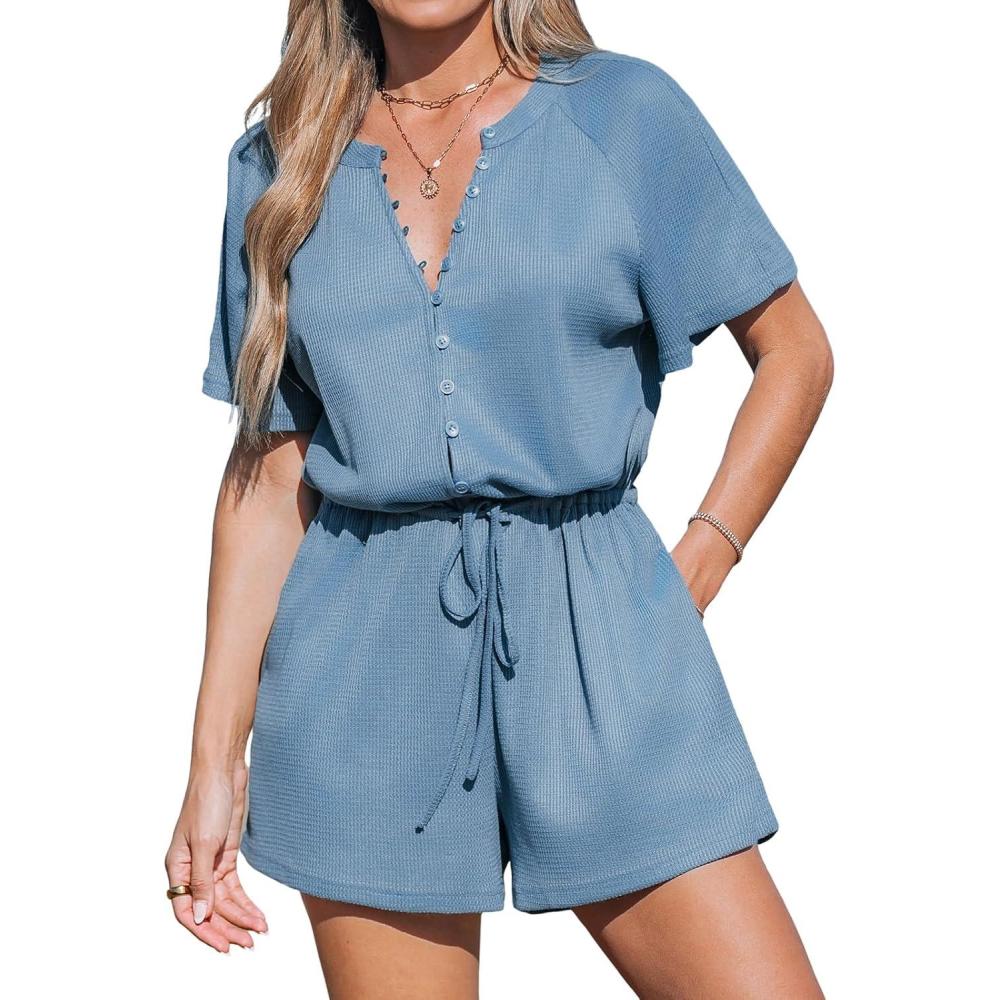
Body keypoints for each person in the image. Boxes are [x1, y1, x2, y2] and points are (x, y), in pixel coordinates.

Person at [166, 2, 833, 996]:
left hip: (600, 638)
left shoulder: (624, 114)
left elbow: (795, 354)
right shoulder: (280, 160)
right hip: (363, 673)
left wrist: (696, 565)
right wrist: (213, 763)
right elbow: (269, 475)